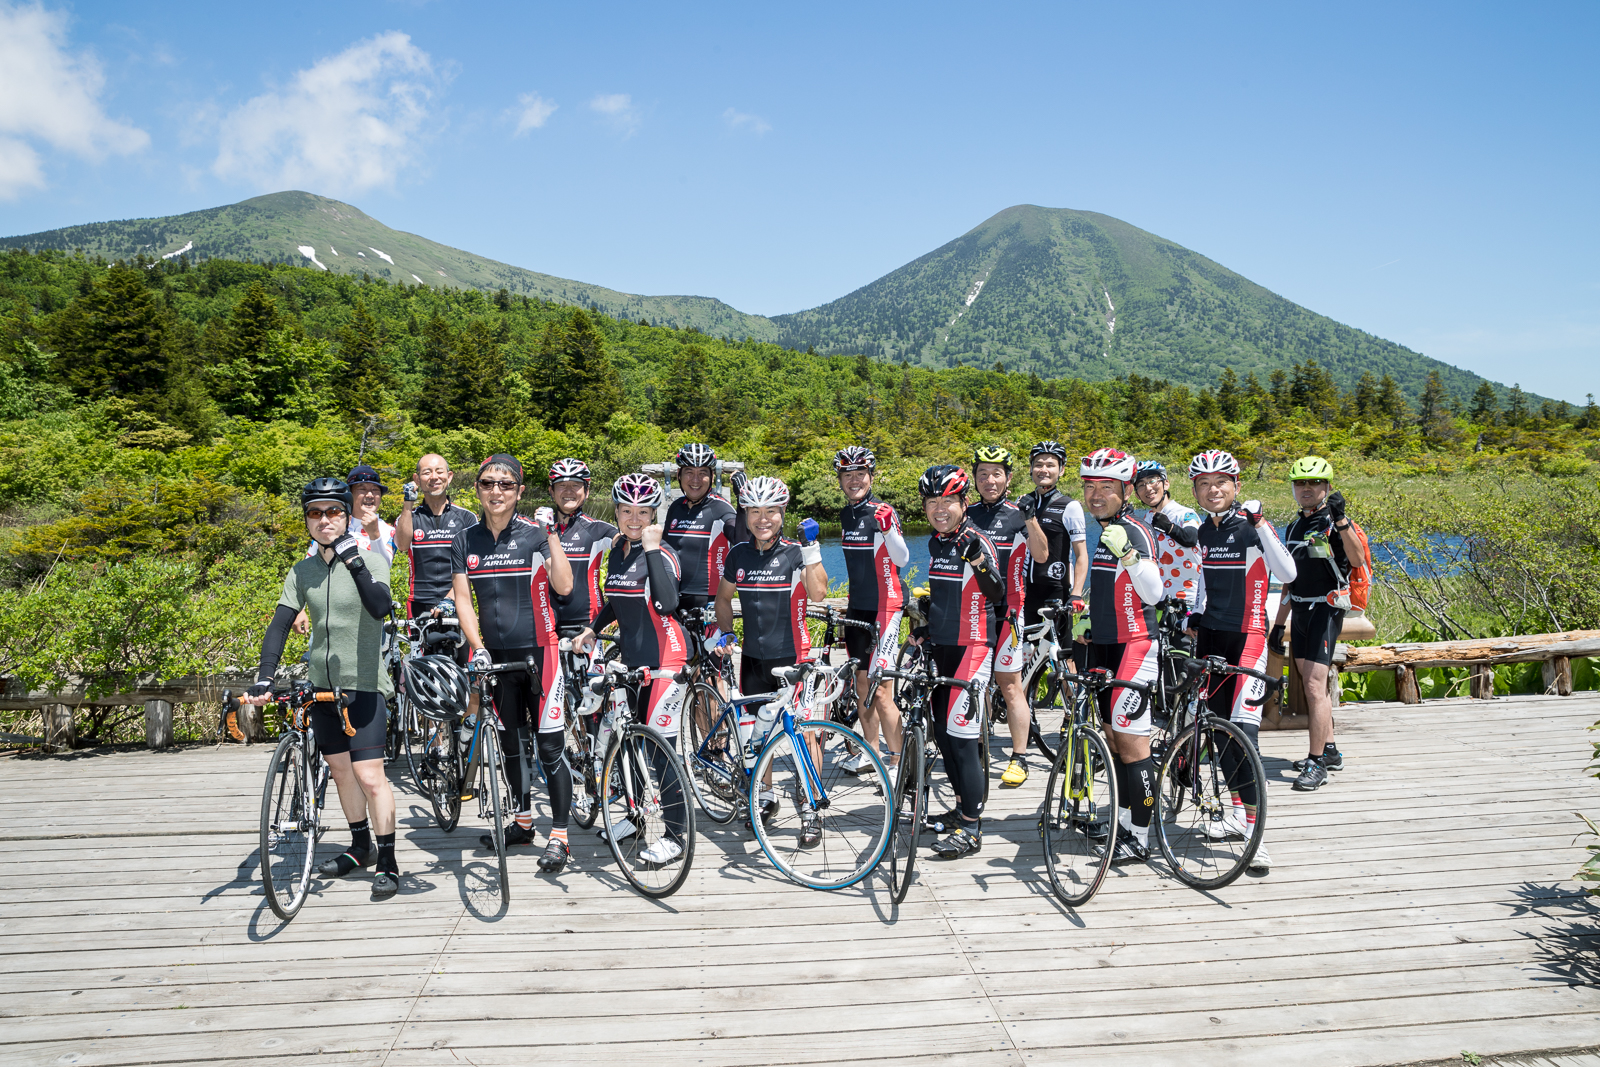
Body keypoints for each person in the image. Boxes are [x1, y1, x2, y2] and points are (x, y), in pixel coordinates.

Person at [243, 478, 401, 900]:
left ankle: (387, 860)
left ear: (347, 515)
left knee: (370, 777)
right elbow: (279, 625)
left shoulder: (372, 558)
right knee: (342, 772)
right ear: (307, 521)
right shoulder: (303, 571)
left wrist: (354, 562)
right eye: (315, 513)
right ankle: (359, 846)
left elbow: (381, 607)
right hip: (322, 690)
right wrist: (264, 675)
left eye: (333, 511)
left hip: (364, 686)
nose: (324, 520)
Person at [447, 454, 576, 872]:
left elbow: (565, 585)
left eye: (505, 485)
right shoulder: (466, 540)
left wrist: (552, 535)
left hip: (541, 655)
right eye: (488, 484)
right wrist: (475, 645)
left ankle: (560, 835)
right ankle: (523, 823)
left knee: (550, 747)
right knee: (510, 746)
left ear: (520, 490)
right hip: (496, 658)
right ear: (478, 489)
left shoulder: (535, 535)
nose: (496, 491)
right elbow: (464, 601)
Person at [574, 473, 693, 865]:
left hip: (666, 659)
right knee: (629, 741)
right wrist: (593, 628)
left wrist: (654, 550)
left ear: (653, 514)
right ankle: (635, 816)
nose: (635, 518)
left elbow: (666, 604)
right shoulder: (619, 550)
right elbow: (616, 598)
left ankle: (676, 837)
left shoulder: (663, 553)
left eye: (644, 511)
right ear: (617, 511)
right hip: (633, 660)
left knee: (661, 750)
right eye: (627, 510)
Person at [1188, 449, 1298, 872]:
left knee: (1244, 733)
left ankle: (1257, 834)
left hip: (1249, 638)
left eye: (1221, 482)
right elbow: (1203, 579)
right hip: (1211, 639)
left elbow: (1287, 573)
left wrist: (1261, 523)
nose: (1213, 490)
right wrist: (1196, 613)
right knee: (1217, 732)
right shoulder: (1203, 530)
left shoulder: (1251, 529)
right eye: (1203, 484)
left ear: (1236, 486)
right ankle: (1236, 812)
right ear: (1196, 489)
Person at [713, 476, 830, 843]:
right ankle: (765, 797)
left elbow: (820, 593)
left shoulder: (796, 552)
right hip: (752, 660)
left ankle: (810, 807)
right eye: (755, 511)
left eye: (772, 511)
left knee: (806, 736)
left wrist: (812, 548)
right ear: (746, 514)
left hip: (794, 659)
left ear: (783, 512)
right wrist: (726, 631)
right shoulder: (738, 555)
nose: (763, 519)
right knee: (757, 736)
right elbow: (722, 599)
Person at [914, 464, 1007, 859]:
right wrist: (925, 620)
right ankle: (960, 808)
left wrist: (978, 563)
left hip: (973, 648)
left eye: (948, 501)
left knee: (965, 740)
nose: (940, 508)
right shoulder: (937, 542)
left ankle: (973, 828)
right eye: (932, 501)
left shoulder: (976, 539)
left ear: (963, 503)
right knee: (946, 737)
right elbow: (946, 596)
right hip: (942, 648)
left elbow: (996, 590)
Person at [1078, 448, 1166, 864]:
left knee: (1133, 745)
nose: (1096, 495)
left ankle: (1142, 836)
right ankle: (1127, 820)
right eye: (1090, 487)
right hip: (1106, 645)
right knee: (1115, 739)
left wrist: (1130, 556)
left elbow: (1154, 593)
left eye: (1106, 488)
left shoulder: (1133, 530)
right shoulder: (1105, 529)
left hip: (1136, 645)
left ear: (1125, 490)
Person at [1272, 455, 1362, 791]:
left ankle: (1316, 763)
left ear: (1327, 486)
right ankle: (1331, 750)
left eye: (1313, 483)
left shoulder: (1334, 521)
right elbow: (1288, 580)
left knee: (1313, 687)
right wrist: (1279, 625)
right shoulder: (1295, 526)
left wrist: (1340, 520)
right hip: (1300, 611)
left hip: (1326, 610)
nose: (1306, 489)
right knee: (1312, 684)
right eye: (1300, 483)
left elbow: (1355, 560)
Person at [967, 446, 1048, 787]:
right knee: (975, 686)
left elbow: (1042, 555)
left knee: (1010, 685)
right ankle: (977, 745)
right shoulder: (964, 513)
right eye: (983, 474)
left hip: (1010, 612)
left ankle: (1019, 756)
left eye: (996, 473)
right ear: (974, 478)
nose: (989, 480)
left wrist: (1030, 518)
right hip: (973, 610)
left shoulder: (1019, 513)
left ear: (1008, 477)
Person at [833, 445, 910, 775]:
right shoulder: (845, 515)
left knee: (881, 689)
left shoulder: (883, 510)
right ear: (840, 479)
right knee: (862, 684)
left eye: (860, 474)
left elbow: (903, 559)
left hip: (885, 608)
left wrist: (889, 529)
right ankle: (872, 752)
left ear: (871, 476)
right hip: (857, 609)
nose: (854, 480)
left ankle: (899, 760)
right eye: (847, 475)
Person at [293, 464, 399, 636]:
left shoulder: (388, 530)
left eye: (375, 490)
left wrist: (374, 535)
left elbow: (383, 570)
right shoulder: (330, 524)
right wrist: (299, 607)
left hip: (369, 617)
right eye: (362, 489)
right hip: (329, 617)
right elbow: (307, 566)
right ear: (349, 494)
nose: (370, 495)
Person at [1020, 441, 1090, 650]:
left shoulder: (1070, 506)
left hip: (1056, 591)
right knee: (1025, 657)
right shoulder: (1023, 502)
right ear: (1031, 468)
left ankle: (1068, 684)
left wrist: (1076, 593)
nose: (1044, 470)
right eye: (1038, 464)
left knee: (1062, 655)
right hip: (1026, 592)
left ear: (1061, 469)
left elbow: (1081, 554)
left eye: (1050, 465)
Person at [662, 443, 745, 617]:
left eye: (702, 473)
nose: (695, 479)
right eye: (689, 472)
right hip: (672, 600)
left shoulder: (720, 508)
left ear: (712, 477)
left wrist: (743, 502)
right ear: (679, 475)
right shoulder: (675, 507)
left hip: (709, 603)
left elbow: (741, 540)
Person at [394, 453, 475, 619]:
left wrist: (451, 598)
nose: (434, 477)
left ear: (449, 476)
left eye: (439, 471)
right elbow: (402, 545)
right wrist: (408, 503)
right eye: (426, 472)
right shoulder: (408, 516)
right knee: (419, 646)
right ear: (416, 479)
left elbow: (473, 565)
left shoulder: (467, 518)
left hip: (458, 599)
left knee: (461, 646)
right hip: (418, 601)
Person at [541, 459, 618, 634]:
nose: (569, 491)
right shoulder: (536, 529)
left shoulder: (598, 528)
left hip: (588, 623)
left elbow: (628, 545)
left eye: (575, 485)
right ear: (551, 491)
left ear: (587, 491)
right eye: (561, 485)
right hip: (545, 625)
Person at [1131, 460, 1204, 608]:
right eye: (1141, 485)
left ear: (1166, 484)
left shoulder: (1185, 514)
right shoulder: (1146, 519)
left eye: (1152, 481)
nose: (1148, 488)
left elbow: (1191, 538)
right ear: (1137, 495)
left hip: (1189, 599)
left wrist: (1170, 528)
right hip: (1159, 601)